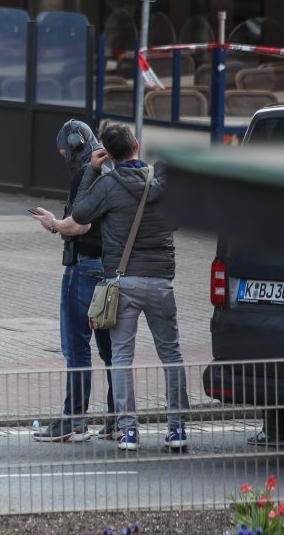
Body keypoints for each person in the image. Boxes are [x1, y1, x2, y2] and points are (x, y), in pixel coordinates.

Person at [33, 123, 188, 452]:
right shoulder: (159, 181)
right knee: (172, 355)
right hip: (161, 280)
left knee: (120, 358)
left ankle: (128, 431)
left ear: (108, 153)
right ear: (136, 144)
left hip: (123, 281)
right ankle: (177, 429)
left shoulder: (109, 183)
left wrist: (92, 170)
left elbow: (80, 215)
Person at [31, 120, 116, 443]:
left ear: (76, 143)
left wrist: (53, 224)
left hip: (83, 268)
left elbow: (79, 224)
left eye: (64, 149)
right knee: (111, 350)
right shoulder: (110, 171)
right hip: (108, 270)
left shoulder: (86, 174)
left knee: (76, 347)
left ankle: (73, 420)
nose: (63, 154)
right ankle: (117, 420)